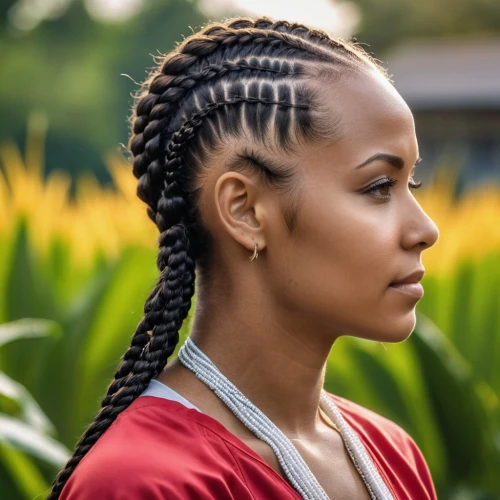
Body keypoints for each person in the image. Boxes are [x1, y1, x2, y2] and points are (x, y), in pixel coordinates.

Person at [50, 15, 440, 500]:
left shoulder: (393, 454)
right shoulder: (144, 482)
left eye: (412, 184)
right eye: (379, 186)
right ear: (246, 211)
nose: (426, 230)